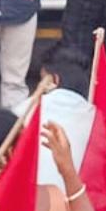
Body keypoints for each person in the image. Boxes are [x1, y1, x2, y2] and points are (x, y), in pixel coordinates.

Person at [34, 46, 96, 194]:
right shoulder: (102, 121)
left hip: (34, 207)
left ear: (54, 80)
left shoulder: (24, 113)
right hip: (87, 210)